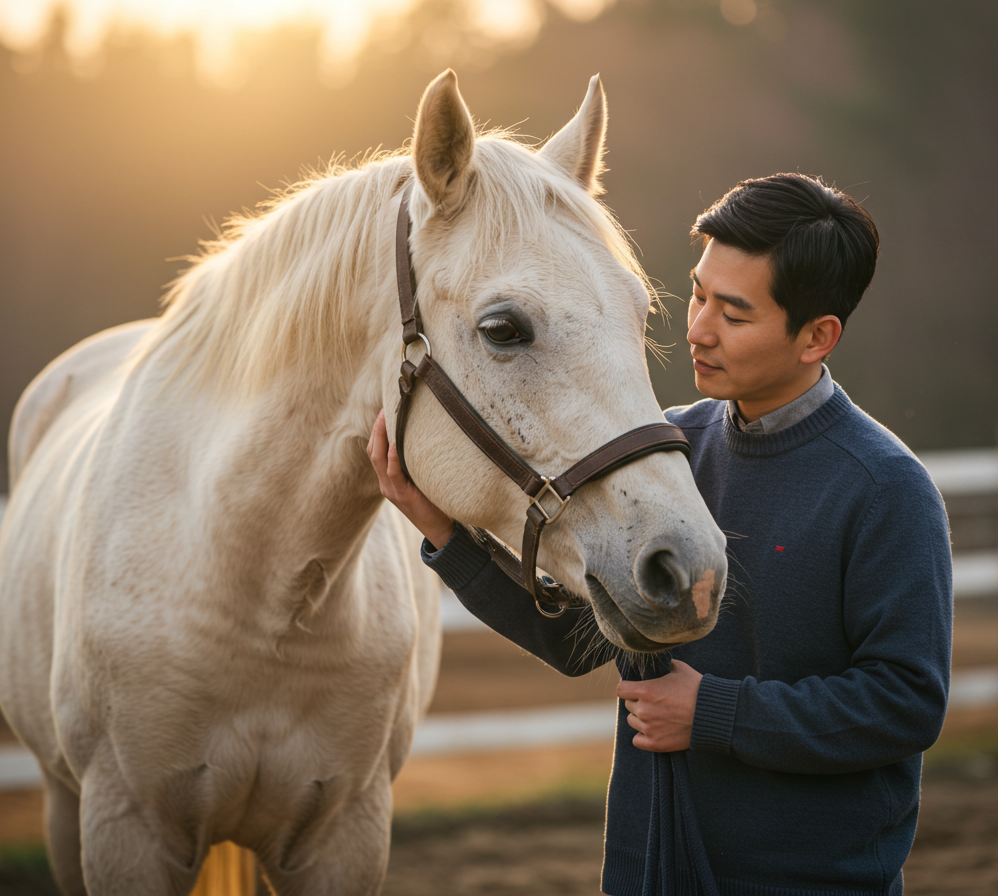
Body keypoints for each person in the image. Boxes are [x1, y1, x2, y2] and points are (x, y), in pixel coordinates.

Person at [367, 173, 953, 896]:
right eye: (699, 295)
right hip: (649, 873)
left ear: (817, 337)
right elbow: (575, 638)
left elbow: (905, 703)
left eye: (734, 314)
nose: (698, 329)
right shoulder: (667, 457)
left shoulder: (884, 488)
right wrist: (444, 534)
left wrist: (714, 714)